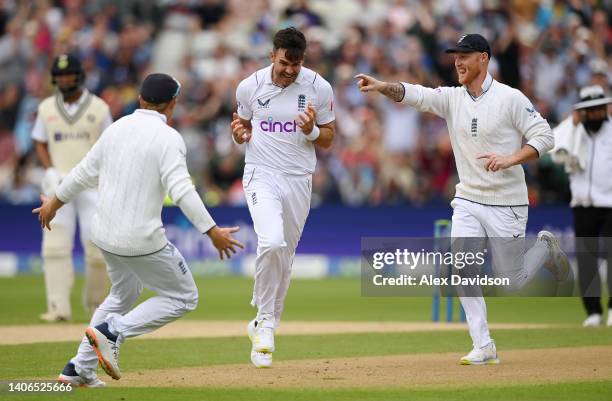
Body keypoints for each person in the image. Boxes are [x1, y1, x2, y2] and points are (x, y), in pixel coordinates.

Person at [355, 33, 570, 365]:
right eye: (455, 55)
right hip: (468, 198)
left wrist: (512, 158)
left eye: (465, 56)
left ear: (483, 58)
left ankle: (545, 246)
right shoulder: (453, 98)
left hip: (507, 201)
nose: (457, 61)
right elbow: (417, 94)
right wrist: (383, 85)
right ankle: (483, 344)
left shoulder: (510, 98)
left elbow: (546, 136)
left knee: (511, 281)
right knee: (462, 269)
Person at [33, 73, 244, 387]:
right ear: (172, 104)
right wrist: (210, 230)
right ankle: (113, 331)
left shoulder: (116, 128)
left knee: (121, 294)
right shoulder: (169, 138)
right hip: (141, 240)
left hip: (104, 235)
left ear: (141, 99)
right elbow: (182, 190)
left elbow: (82, 173)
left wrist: (55, 202)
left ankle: (78, 368)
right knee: (183, 297)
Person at [230, 27, 335, 368]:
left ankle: (267, 323)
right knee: (271, 242)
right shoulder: (250, 86)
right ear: (272, 55)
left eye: (297, 63)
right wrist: (239, 134)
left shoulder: (318, 87)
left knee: (285, 255)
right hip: (261, 175)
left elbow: (329, 138)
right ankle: (264, 322)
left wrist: (313, 131)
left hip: (299, 179)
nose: (291, 70)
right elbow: (243, 127)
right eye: (285, 62)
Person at [32, 53, 113, 322]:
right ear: (55, 79)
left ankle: (96, 307)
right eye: (61, 75)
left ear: (79, 76)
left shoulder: (99, 107)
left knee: (97, 245)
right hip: (59, 184)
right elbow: (40, 142)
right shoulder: (46, 108)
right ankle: (58, 308)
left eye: (69, 74)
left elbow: (109, 145)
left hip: (91, 183)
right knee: (54, 244)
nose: (65, 79)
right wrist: (49, 169)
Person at [550, 85, 612, 327]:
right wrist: (573, 124)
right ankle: (593, 312)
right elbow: (553, 147)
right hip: (582, 204)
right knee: (586, 259)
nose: (595, 114)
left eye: (598, 109)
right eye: (590, 110)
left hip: (610, 204)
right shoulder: (572, 130)